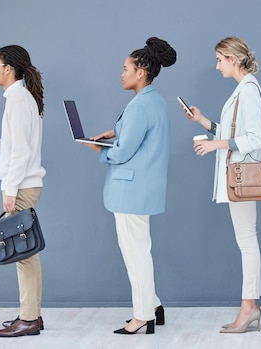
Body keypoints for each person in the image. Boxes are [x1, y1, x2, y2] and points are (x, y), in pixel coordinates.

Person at [82, 37, 176, 335]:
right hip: (143, 189)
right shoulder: (153, 101)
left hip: (131, 191)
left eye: (126, 68)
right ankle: (154, 306)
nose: (121, 73)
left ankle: (143, 316)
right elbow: (140, 137)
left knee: (136, 255)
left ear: (142, 71)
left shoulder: (139, 106)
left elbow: (122, 152)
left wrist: (96, 147)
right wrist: (116, 131)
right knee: (139, 250)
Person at [181, 36, 261, 334]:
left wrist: (216, 144)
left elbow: (255, 139)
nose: (217, 66)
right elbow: (235, 132)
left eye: (220, 59)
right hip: (237, 176)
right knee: (246, 240)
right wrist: (204, 122)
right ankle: (249, 307)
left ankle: (249, 307)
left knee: (247, 241)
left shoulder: (250, 91)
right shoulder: (243, 90)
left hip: (243, 177)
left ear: (233, 58)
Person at [0, 45, 46, 337]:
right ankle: (32, 316)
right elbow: (19, 145)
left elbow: (23, 153)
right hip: (27, 183)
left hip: (22, 186)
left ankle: (29, 319)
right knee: (26, 252)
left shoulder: (17, 99)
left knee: (24, 254)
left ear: (8, 68)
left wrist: (9, 189)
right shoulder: (20, 97)